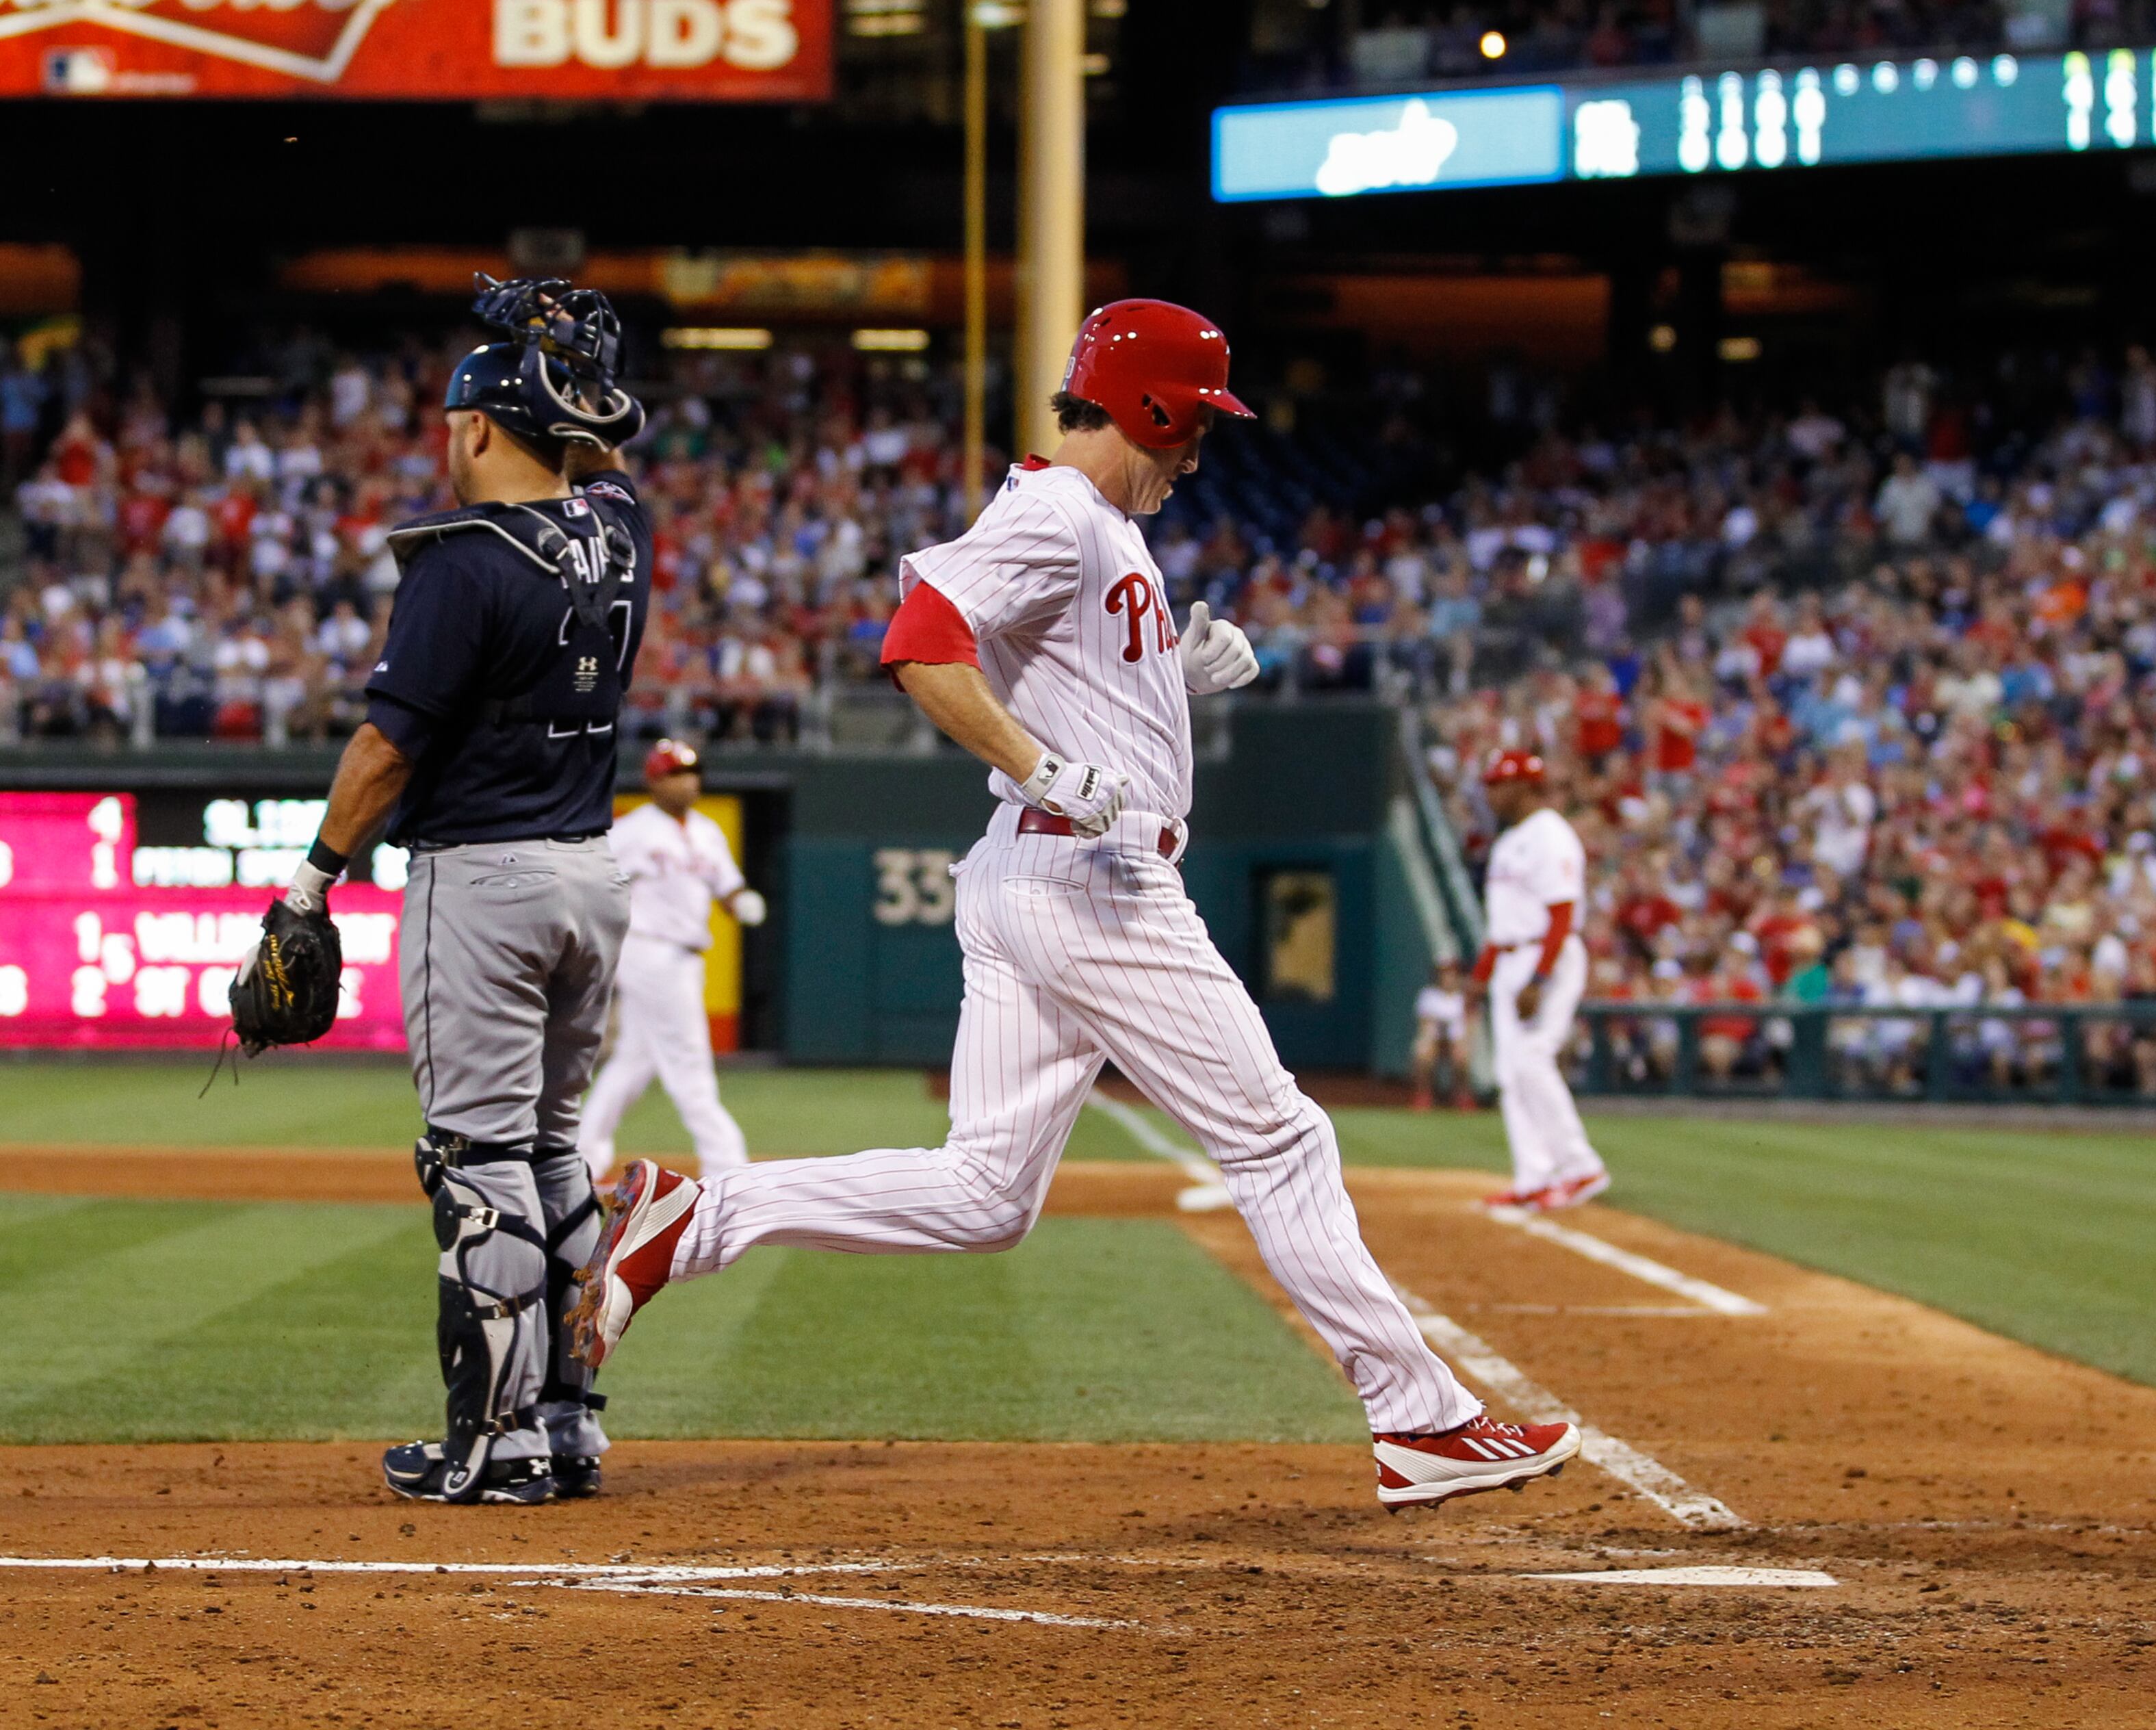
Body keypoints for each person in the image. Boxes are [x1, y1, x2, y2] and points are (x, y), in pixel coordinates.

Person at [575, 300, 1581, 1510]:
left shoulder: (1095, 523)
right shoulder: (1058, 511)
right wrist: (1043, 766)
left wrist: (1168, 675)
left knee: (986, 1194)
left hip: (1035, 874)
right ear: (1150, 404)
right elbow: (923, 641)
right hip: (1089, 879)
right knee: (1279, 1137)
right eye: (1195, 422)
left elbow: (1054, 679)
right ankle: (1422, 1419)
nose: (1201, 451)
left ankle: (695, 1219)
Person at [246, 276, 650, 1506]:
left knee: (477, 1162)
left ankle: (495, 1444)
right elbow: (604, 463)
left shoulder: (464, 563)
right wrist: (563, 357)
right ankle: (571, 1428)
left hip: (485, 878)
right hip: (594, 875)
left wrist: (312, 885)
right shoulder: (622, 534)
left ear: (480, 428)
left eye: (455, 420)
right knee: (552, 1154)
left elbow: (385, 749)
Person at [577, 739, 765, 1183]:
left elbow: (728, 887)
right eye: (676, 773)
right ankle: (728, 1165)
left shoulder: (706, 832)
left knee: (634, 1061)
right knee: (689, 1062)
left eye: (692, 772)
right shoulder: (633, 830)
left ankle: (582, 1154)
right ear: (654, 781)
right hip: (649, 949)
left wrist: (741, 902)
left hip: (684, 955)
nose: (688, 781)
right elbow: (593, 881)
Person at [1472, 749, 1610, 1209]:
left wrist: (1540, 977)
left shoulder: (1550, 834)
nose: (1490, 793)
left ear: (1524, 787)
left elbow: (1562, 913)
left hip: (1543, 954)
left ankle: (1580, 1165)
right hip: (1513, 955)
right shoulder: (1510, 840)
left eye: (1498, 784)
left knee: (1532, 1057)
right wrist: (1483, 972)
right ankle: (1535, 1176)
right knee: (1511, 1074)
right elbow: (1502, 921)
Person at [1410, 957, 1476, 1111]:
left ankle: (1462, 1095)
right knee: (1422, 1051)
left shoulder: (1465, 997)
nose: (1448, 977)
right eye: (1444, 973)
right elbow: (1424, 1025)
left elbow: (1471, 1025)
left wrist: (1464, 1041)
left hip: (1457, 1041)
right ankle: (1423, 1095)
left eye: (1452, 973)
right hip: (1435, 1041)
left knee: (1461, 1055)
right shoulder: (1428, 995)